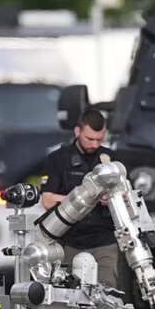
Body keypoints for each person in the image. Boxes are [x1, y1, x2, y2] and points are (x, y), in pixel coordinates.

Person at [40, 109, 120, 289]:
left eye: (99, 139)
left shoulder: (111, 160)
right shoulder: (58, 159)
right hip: (70, 241)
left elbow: (125, 196)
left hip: (104, 240)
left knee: (108, 295)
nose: (94, 144)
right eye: (90, 139)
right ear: (77, 132)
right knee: (69, 295)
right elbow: (48, 200)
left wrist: (112, 198)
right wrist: (87, 198)